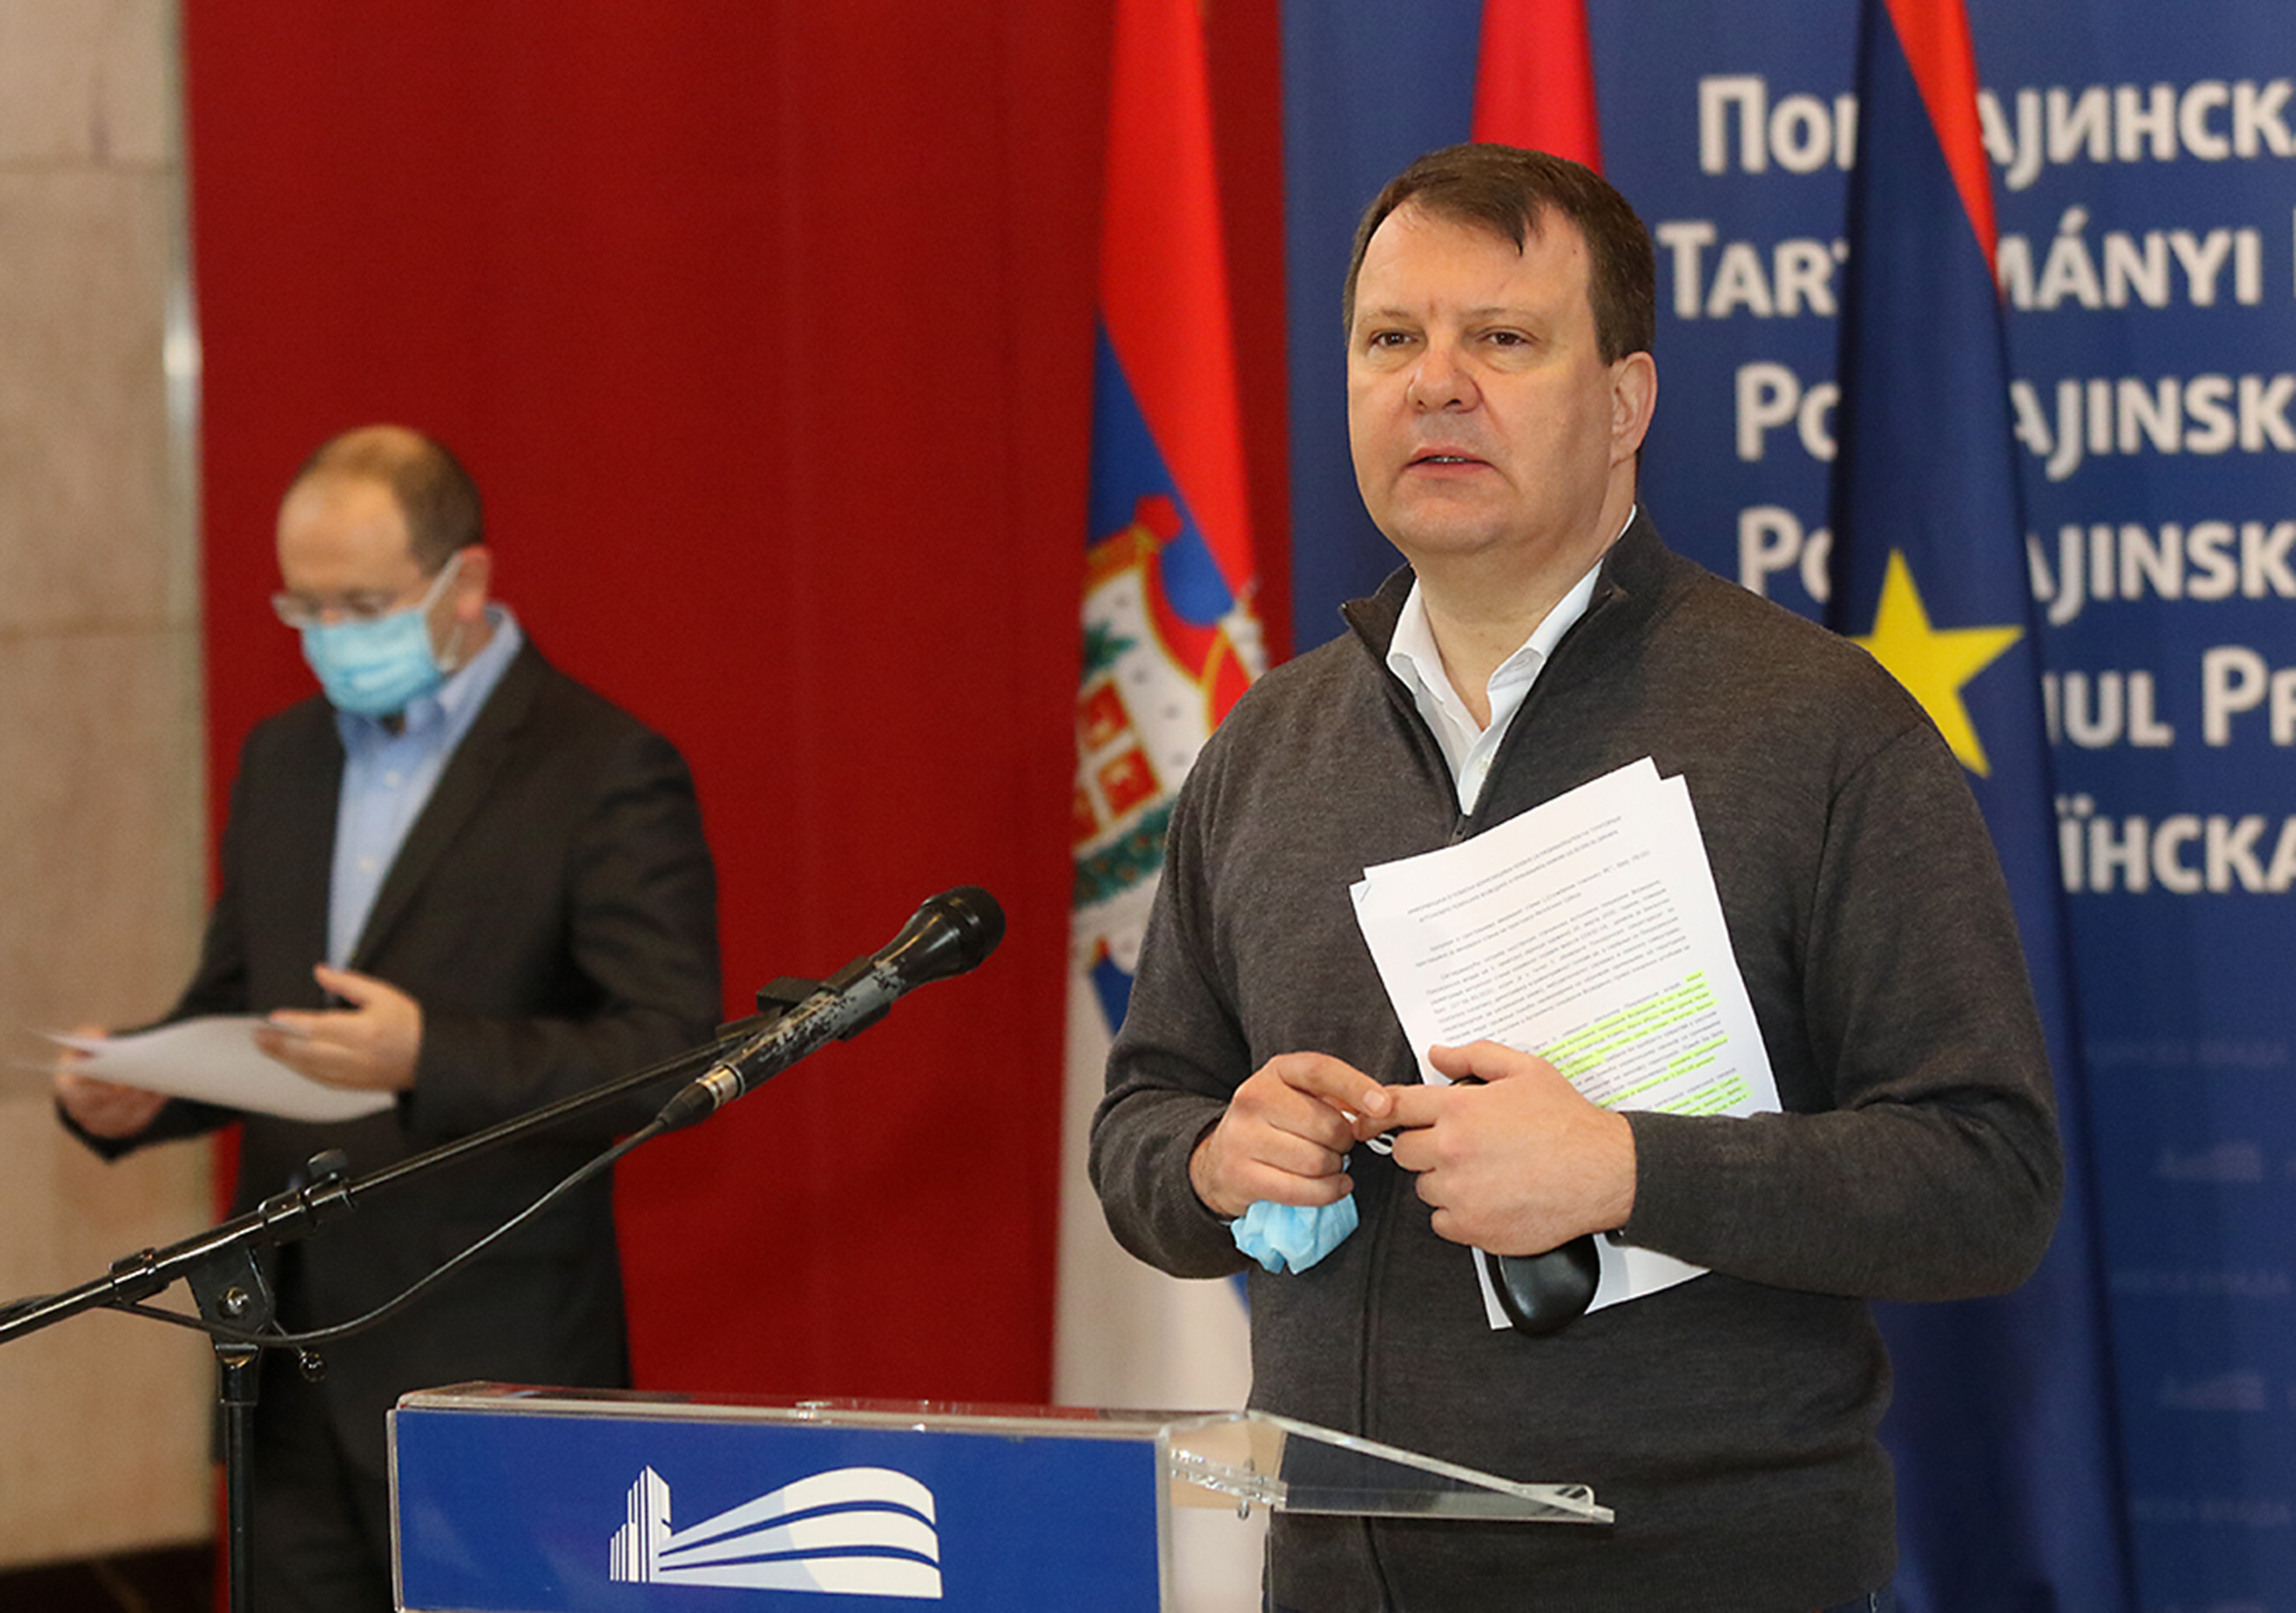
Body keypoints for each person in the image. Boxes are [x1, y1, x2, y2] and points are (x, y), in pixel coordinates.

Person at [1089, 145, 2062, 1610]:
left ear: (1623, 404)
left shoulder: (1814, 727)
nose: (1434, 384)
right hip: (1332, 1577)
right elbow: (1139, 1129)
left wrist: (1625, 1169)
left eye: (1501, 339)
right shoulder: (1267, 746)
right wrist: (1216, 1162)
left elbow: (1986, 1179)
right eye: (1389, 341)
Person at [54, 425, 722, 1611]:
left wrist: (430, 1056)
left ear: (465, 580)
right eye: (302, 610)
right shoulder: (284, 758)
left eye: (360, 605)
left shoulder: (601, 766)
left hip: (488, 1363)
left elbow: (670, 1056)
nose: (329, 642)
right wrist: (146, 1083)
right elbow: (247, 1013)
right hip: (282, 1357)